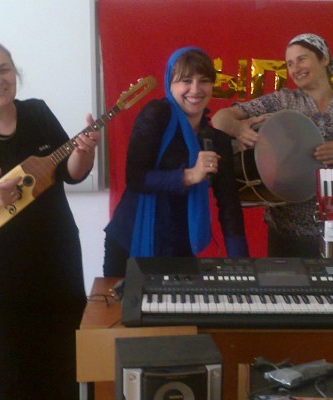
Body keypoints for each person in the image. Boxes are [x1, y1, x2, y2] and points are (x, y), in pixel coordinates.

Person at [0, 41, 99, 399]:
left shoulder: (37, 113)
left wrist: (86, 151)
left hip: (55, 263)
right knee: (3, 372)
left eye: (4, 69)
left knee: (60, 361)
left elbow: (72, 172)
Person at [212, 33, 333, 257]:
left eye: (302, 59)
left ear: (324, 59)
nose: (295, 69)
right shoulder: (283, 100)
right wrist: (238, 129)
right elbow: (220, 119)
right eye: (290, 64)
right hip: (287, 230)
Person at [103, 47, 248, 277]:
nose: (195, 89)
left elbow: (229, 206)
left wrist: (242, 267)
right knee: (124, 302)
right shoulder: (157, 115)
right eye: (186, 81)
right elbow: (136, 178)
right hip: (132, 240)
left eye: (204, 81)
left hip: (181, 246)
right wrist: (190, 175)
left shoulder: (216, 140)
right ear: (170, 85)